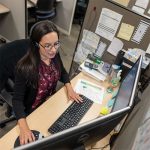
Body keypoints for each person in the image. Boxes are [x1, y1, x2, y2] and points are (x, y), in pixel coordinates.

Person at [12, 20, 82, 145]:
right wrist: (24, 128)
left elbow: (63, 73)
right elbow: (17, 100)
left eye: (56, 44)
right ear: (37, 44)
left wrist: (69, 88)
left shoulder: (53, 56)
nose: (53, 50)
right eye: (48, 45)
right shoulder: (25, 68)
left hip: (50, 103)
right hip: (33, 111)